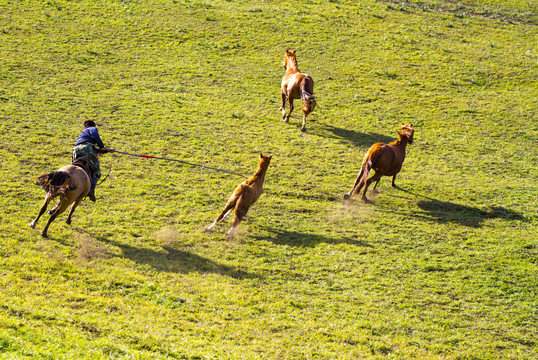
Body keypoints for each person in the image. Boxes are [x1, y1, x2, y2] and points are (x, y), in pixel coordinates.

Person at [72, 120, 115, 202]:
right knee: (96, 171)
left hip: (76, 150)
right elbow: (94, 137)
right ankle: (90, 190)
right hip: (86, 149)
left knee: (78, 170)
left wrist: (107, 151)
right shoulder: (92, 129)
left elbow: (94, 150)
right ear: (93, 125)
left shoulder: (83, 135)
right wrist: (101, 145)